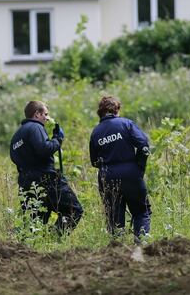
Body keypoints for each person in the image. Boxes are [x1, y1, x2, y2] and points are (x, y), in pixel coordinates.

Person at [10, 101, 83, 234]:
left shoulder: (16, 137)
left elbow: (15, 158)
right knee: (73, 210)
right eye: (45, 114)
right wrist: (57, 139)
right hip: (46, 179)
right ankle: (54, 238)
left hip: (26, 182)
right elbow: (44, 149)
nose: (47, 118)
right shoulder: (35, 127)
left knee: (35, 220)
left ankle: (31, 249)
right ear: (37, 114)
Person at [89, 95, 152, 240]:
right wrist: (139, 167)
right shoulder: (126, 124)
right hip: (131, 173)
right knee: (141, 212)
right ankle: (141, 245)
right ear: (117, 109)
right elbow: (143, 146)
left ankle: (117, 250)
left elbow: (94, 162)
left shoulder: (96, 132)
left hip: (107, 176)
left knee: (114, 217)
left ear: (101, 112)